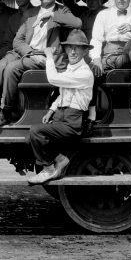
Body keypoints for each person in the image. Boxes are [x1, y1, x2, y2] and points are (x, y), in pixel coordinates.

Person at [0, 0, 82, 128]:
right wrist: (30, 52)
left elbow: (77, 23)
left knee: (11, 68)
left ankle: (6, 113)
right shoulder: (30, 13)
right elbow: (17, 40)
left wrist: (51, 14)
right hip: (27, 53)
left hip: (48, 56)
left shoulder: (62, 10)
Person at [26, 29, 94, 185]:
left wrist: (49, 57)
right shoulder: (70, 69)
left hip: (73, 122)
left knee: (36, 131)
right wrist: (51, 111)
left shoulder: (84, 73)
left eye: (78, 48)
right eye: (70, 47)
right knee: (28, 139)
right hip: (60, 117)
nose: (73, 51)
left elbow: (53, 79)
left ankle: (49, 170)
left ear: (85, 51)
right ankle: (61, 159)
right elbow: (61, 95)